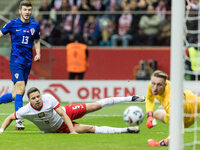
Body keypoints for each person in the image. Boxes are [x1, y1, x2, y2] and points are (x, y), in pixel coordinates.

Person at [0, 87, 145, 134]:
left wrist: (73, 131)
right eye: (34, 98)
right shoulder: (25, 110)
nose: (37, 99)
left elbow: (62, 113)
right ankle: (127, 130)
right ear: (29, 100)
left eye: (38, 96)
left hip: (65, 113)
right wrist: (1, 130)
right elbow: (10, 117)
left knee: (94, 106)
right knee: (89, 129)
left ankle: (131, 98)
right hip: (56, 129)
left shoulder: (48, 98)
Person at [0, 0, 40, 130]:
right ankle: (18, 120)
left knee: (15, 94)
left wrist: (38, 53)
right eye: (25, 10)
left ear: (31, 11)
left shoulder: (35, 25)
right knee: (21, 88)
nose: (27, 12)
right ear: (20, 11)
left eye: (29, 10)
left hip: (28, 62)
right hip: (16, 61)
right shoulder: (12, 24)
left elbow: (37, 40)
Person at [145, 70, 200, 146]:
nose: (155, 88)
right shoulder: (151, 86)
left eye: (159, 85)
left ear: (165, 84)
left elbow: (179, 131)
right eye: (153, 83)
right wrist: (149, 115)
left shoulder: (171, 101)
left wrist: (159, 143)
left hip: (192, 109)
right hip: (178, 111)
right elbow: (149, 99)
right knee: (157, 113)